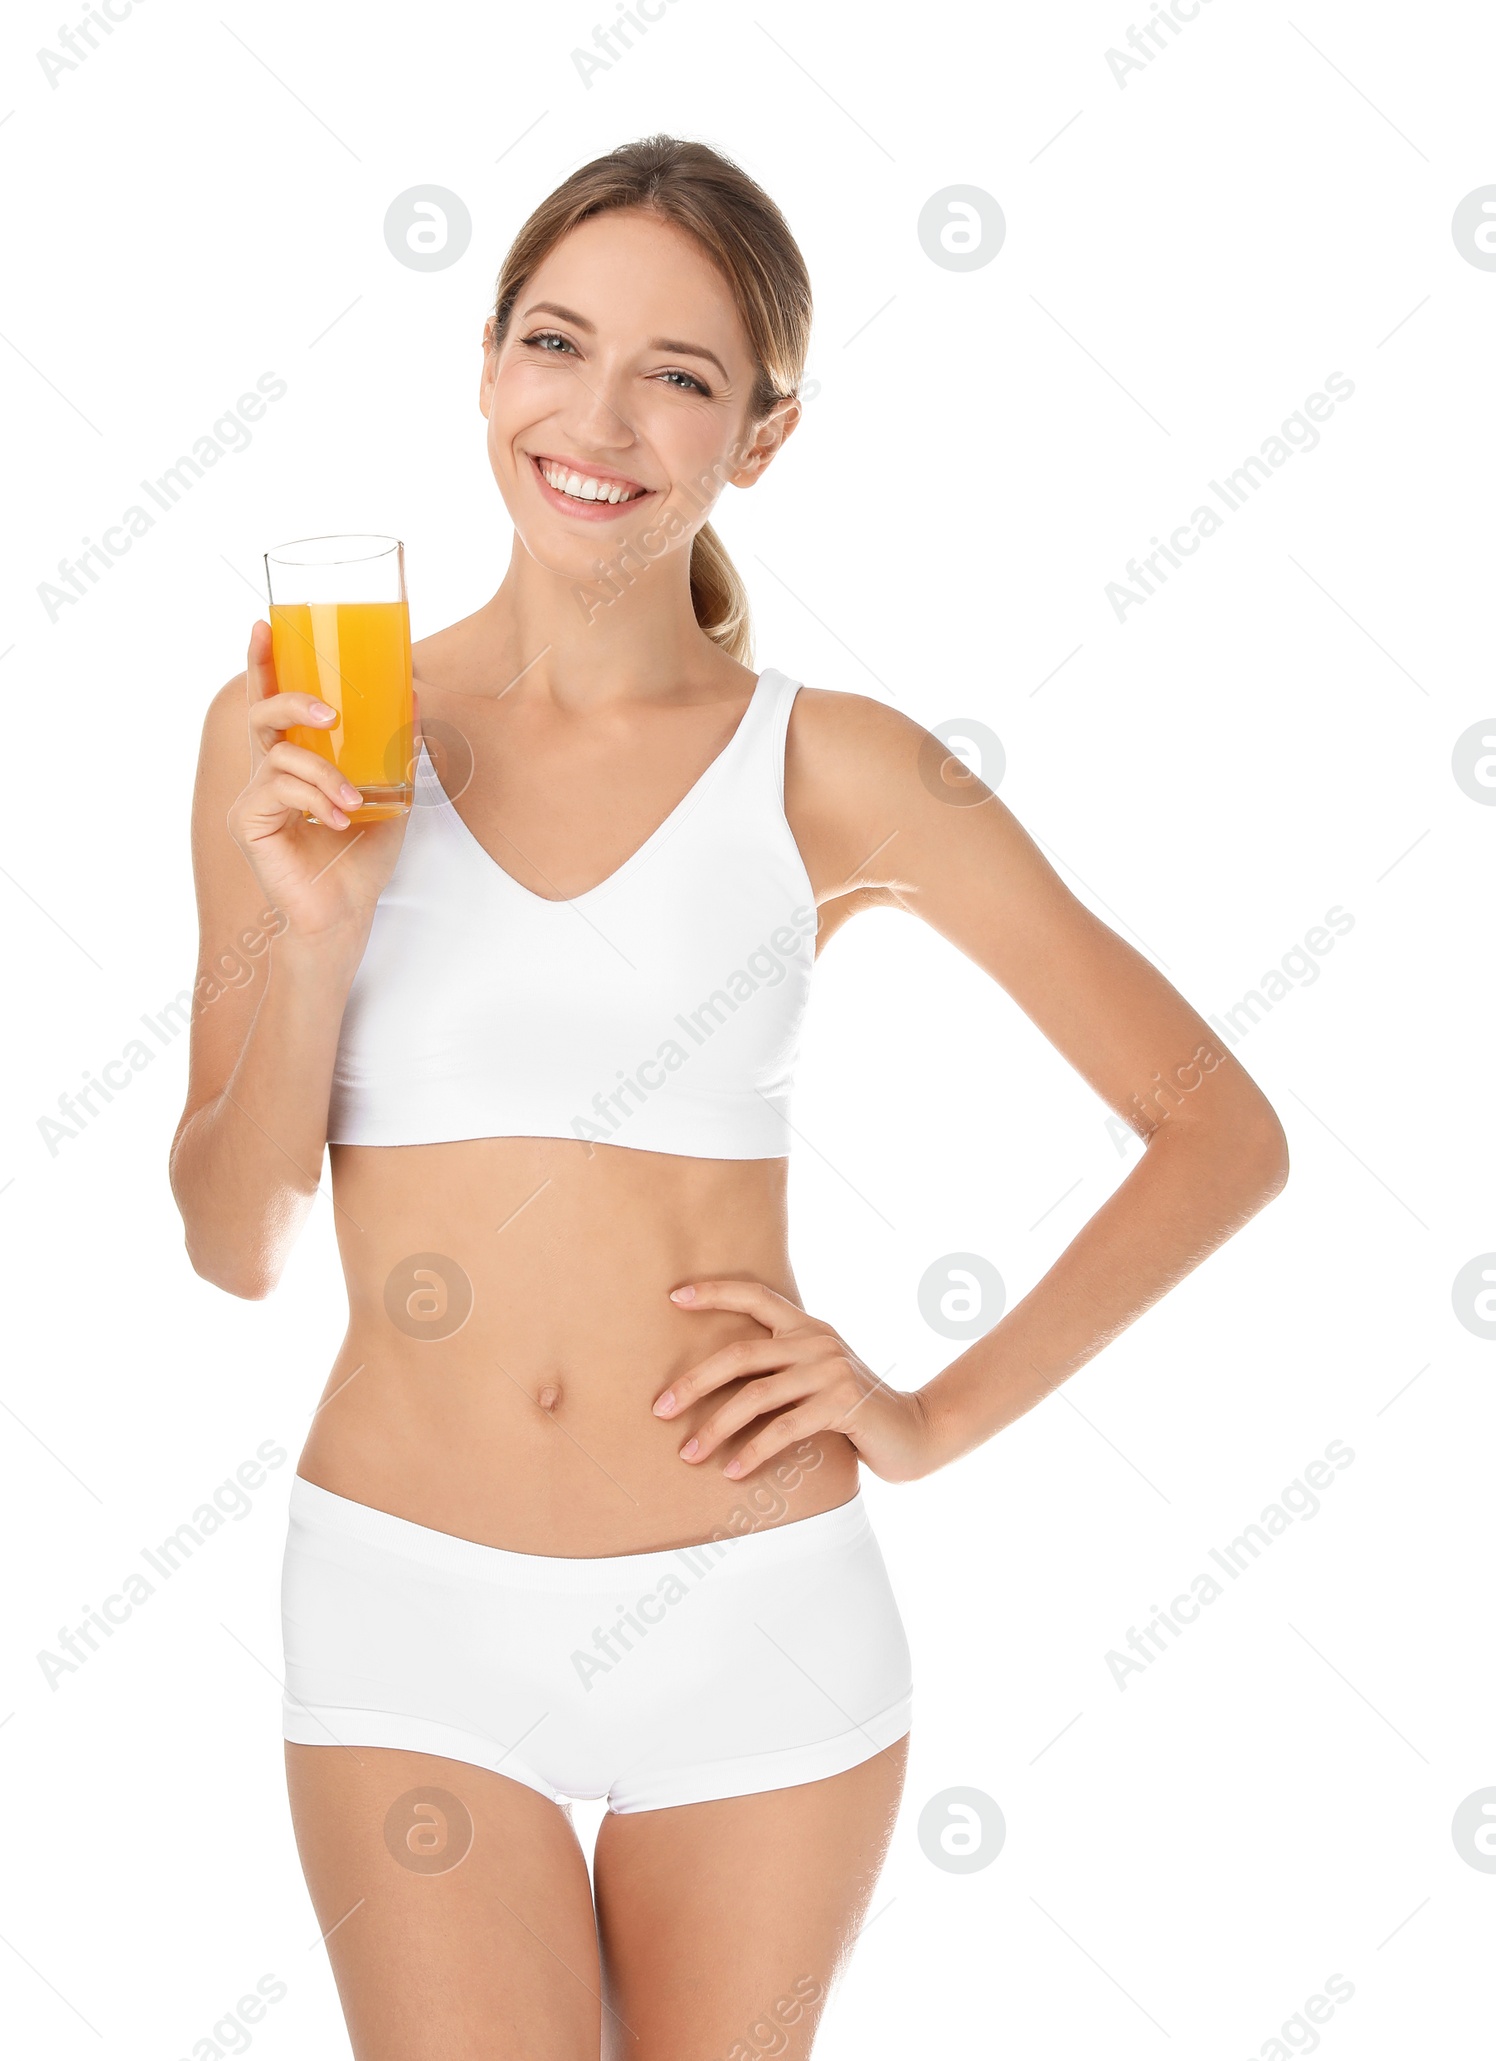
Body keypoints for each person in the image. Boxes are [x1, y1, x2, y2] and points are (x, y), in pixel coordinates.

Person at [170, 133, 1288, 2061]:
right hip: (402, 1613)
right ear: (488, 368)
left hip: (755, 1626)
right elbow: (234, 1238)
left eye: (677, 375)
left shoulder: (829, 769)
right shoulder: (301, 727)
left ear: (757, 438)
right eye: (553, 343)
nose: (594, 418)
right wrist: (321, 928)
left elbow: (1219, 1129)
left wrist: (925, 1416)